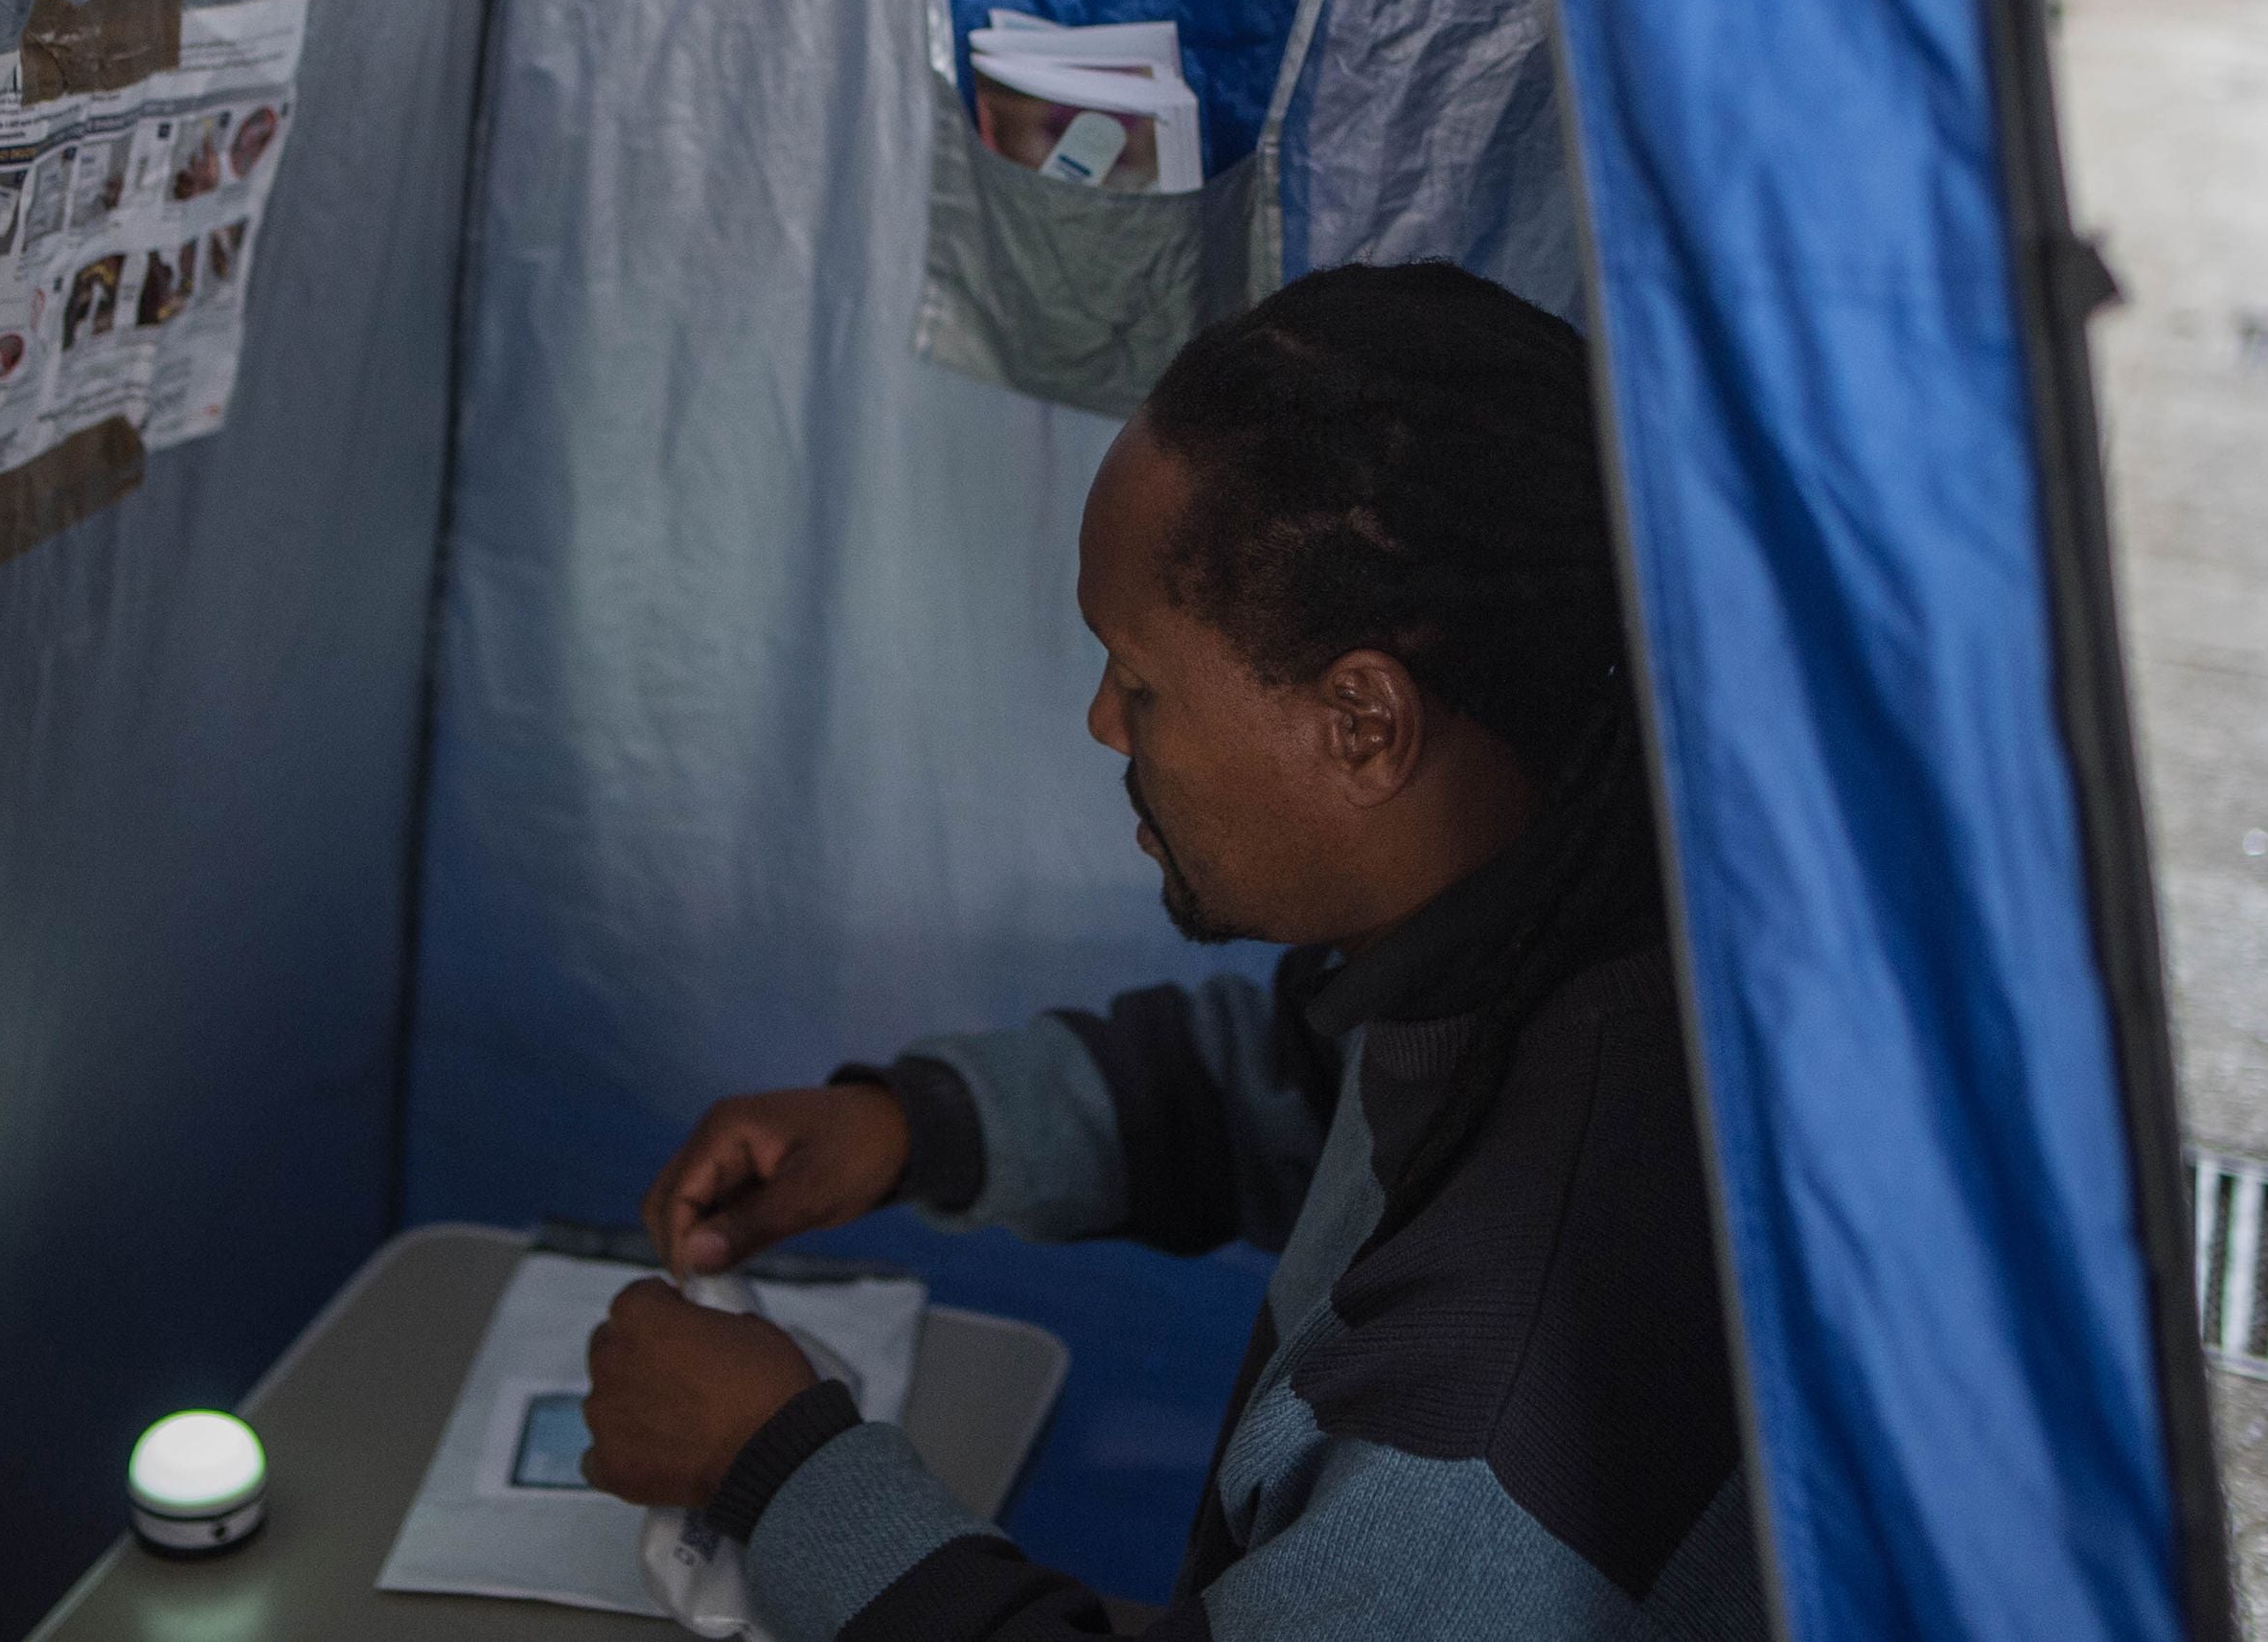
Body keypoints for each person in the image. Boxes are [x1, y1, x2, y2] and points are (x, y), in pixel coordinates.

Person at [579, 263, 1761, 1640]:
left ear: (1362, 725)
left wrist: (772, 1469)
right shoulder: (1571, 921)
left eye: (1139, 683)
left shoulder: (1488, 1426)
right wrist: (914, 1128)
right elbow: (1310, 1096)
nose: (1101, 724)